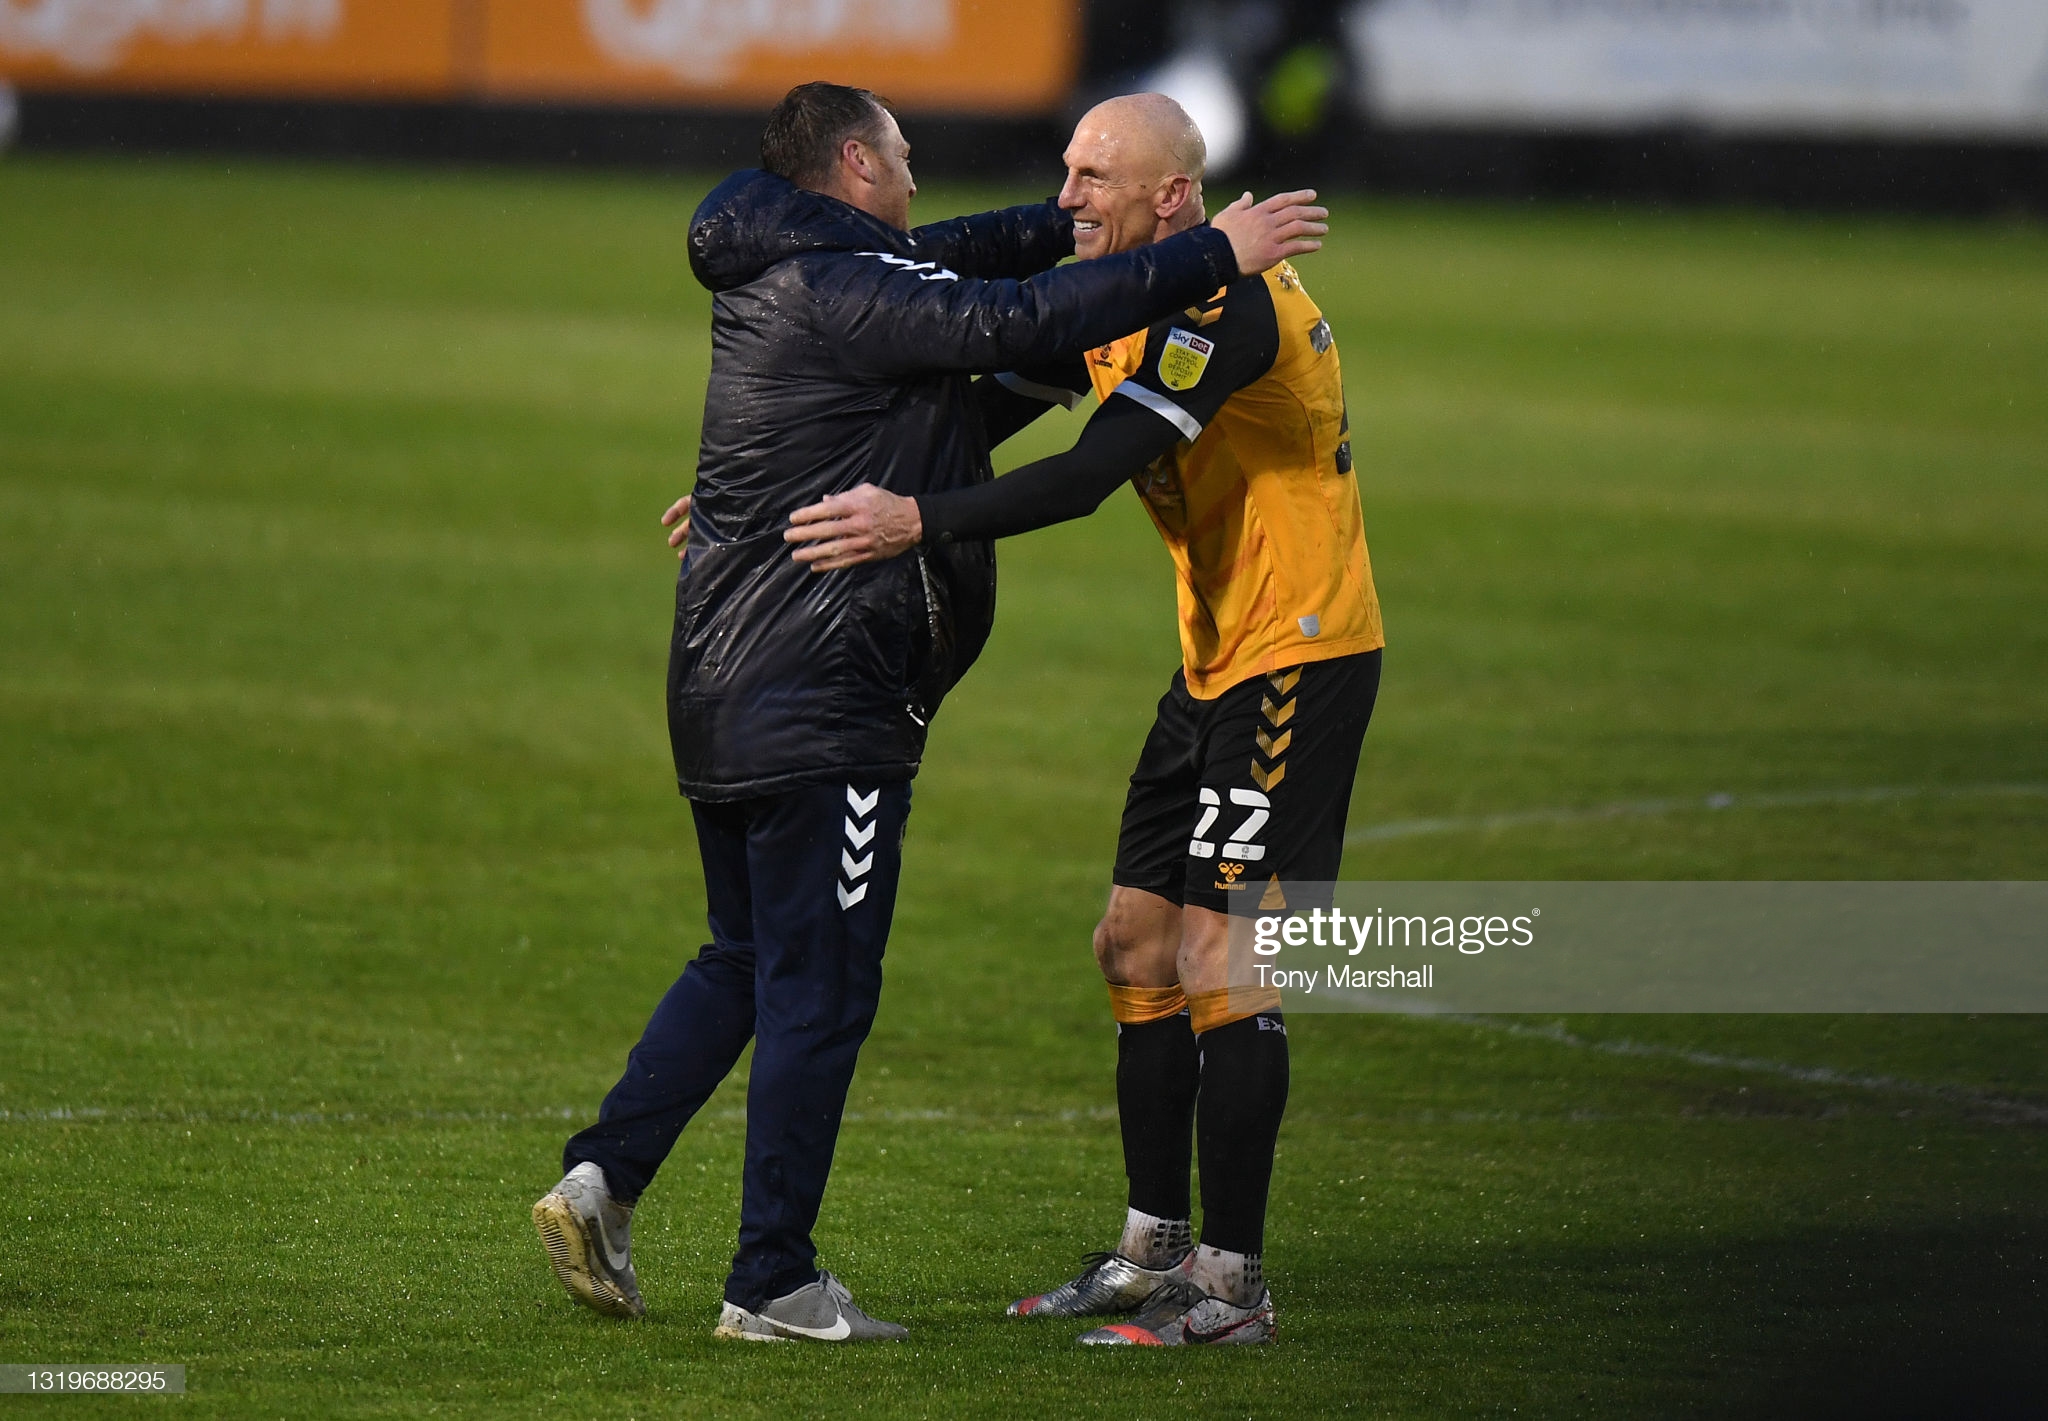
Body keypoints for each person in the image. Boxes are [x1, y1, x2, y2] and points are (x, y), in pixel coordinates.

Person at [531, 81, 1330, 1345]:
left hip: (742, 679)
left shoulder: (794, 267)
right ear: (856, 164)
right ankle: (776, 1278)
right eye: (903, 155)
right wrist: (1203, 249)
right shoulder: (853, 280)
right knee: (834, 986)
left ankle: (604, 1175)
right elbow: (1016, 335)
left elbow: (980, 377)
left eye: (1087, 178)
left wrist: (775, 493)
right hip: (824, 690)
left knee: (757, 953)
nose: (1059, 197)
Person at [782, 92, 1384, 1347]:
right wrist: (762, 493)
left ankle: (1231, 1287)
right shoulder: (1119, 296)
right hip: (1214, 661)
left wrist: (912, 522)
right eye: (1063, 167)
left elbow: (1082, 476)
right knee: (1130, 944)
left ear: (1175, 199)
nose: (1066, 195)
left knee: (1224, 963)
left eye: (1095, 174)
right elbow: (966, 416)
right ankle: (1152, 1250)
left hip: (1298, 660)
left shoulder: (1225, 308)